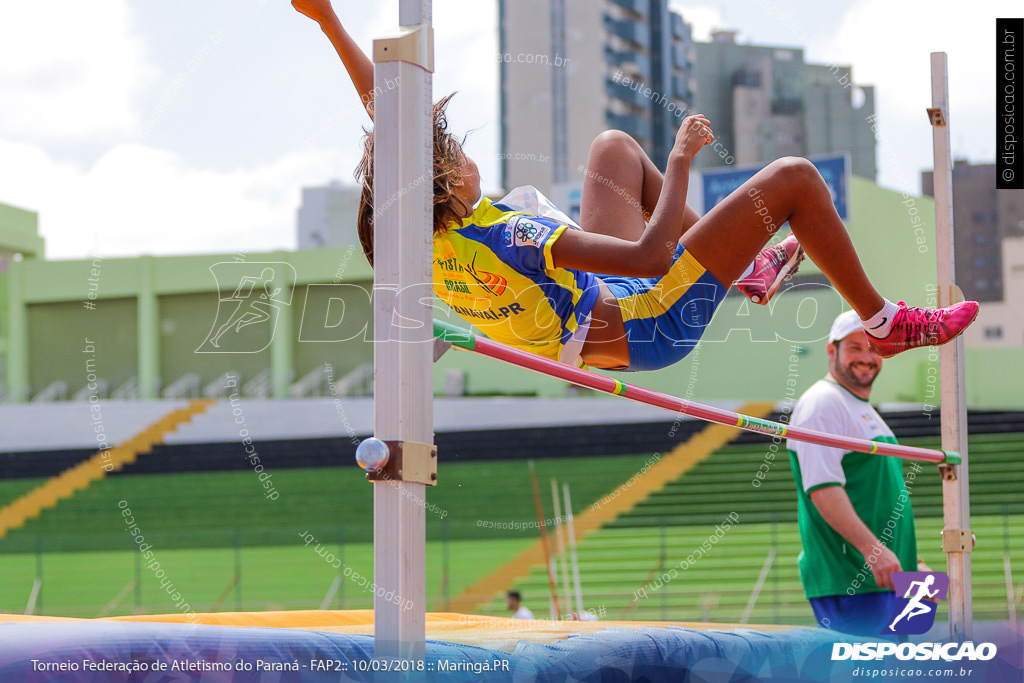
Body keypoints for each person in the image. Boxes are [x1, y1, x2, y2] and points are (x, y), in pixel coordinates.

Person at [293, 0, 978, 372]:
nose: (472, 159)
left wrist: (328, 22)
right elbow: (653, 259)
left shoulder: (427, 243)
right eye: (461, 156)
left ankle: (752, 271)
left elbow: (389, 112)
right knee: (793, 181)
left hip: (606, 302)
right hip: (653, 317)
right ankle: (885, 323)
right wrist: (681, 158)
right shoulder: (512, 231)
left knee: (612, 148)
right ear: (448, 180)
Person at [786, 310, 928, 636]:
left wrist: (912, 560)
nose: (866, 357)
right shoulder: (823, 403)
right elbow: (823, 488)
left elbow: (878, 493)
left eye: (874, 348)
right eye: (855, 347)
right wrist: (873, 551)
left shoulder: (860, 408)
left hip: (889, 575)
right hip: (855, 577)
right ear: (831, 350)